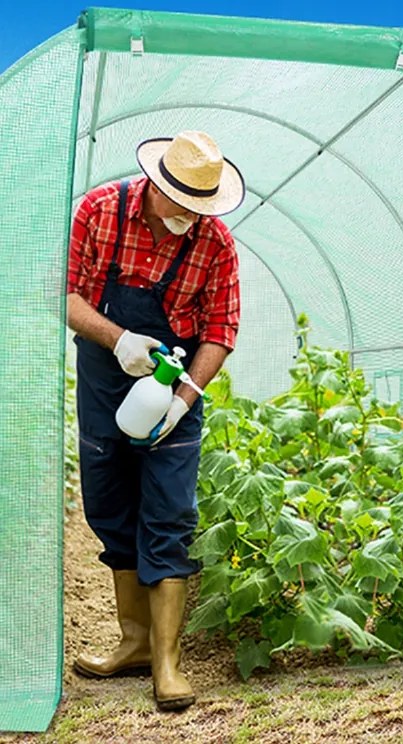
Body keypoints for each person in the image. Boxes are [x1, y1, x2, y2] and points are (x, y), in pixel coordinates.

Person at [66, 131, 244, 711]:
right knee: (110, 506)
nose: (193, 219)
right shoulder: (99, 211)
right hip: (104, 374)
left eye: (204, 209)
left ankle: (167, 662)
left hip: (171, 388)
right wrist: (118, 341)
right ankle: (134, 642)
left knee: (168, 511)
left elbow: (219, 330)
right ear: (158, 185)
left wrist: (183, 397)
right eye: (185, 206)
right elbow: (64, 295)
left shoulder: (215, 245)